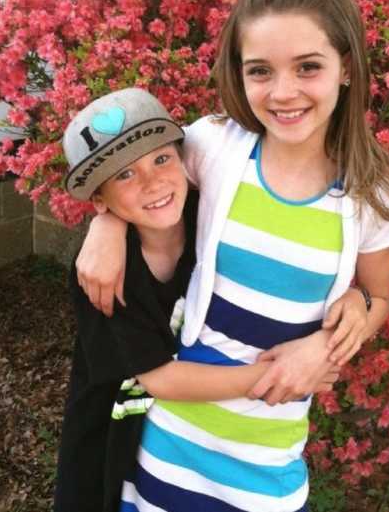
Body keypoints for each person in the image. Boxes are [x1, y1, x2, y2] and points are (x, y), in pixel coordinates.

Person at [76, 0, 389, 512]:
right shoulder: (214, 146)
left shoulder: (373, 192)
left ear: (346, 66)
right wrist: (106, 224)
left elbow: (378, 297)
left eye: (308, 67)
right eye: (260, 71)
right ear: (240, 74)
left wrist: (331, 340)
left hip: (267, 459)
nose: (283, 92)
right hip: (171, 442)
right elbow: (141, 187)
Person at [55, 87, 306, 512]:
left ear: (184, 157)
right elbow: (159, 379)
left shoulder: (213, 217)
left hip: (188, 438)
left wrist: (360, 300)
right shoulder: (101, 275)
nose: (153, 181)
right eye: (124, 175)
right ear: (100, 199)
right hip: (111, 435)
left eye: (161, 158)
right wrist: (281, 379)